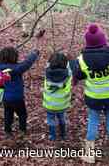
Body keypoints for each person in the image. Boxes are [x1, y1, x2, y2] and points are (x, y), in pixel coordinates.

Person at [72, 24, 109, 164]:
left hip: (93, 98)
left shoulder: (81, 59)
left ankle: (89, 155)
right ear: (103, 40)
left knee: (93, 122)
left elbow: (79, 75)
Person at [0, 47, 39, 140]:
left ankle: (8, 131)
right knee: (22, 114)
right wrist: (34, 54)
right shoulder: (16, 68)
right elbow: (27, 63)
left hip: (6, 98)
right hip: (17, 98)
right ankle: (22, 130)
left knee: (8, 114)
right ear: (14, 57)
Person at [42, 52, 72, 141]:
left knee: (50, 119)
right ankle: (63, 134)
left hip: (49, 104)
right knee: (62, 118)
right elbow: (69, 68)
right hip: (63, 104)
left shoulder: (47, 73)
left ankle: (52, 136)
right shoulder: (68, 74)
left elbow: (47, 66)